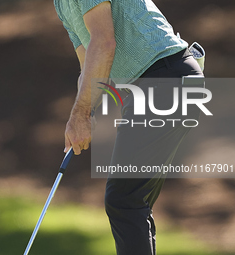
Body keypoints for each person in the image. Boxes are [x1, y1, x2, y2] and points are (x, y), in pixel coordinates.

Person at [54, 0, 203, 254]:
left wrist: (79, 116)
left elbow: (104, 44)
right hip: (156, 85)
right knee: (133, 203)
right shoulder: (60, 3)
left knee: (124, 202)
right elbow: (89, 62)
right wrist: (83, 111)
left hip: (163, 79)